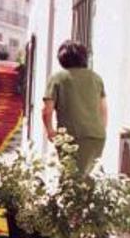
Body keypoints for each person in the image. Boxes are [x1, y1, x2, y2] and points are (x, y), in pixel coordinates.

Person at [42, 40, 107, 172]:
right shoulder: (96, 78)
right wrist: (99, 129)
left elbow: (47, 110)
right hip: (97, 137)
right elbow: (103, 110)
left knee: (71, 181)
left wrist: (50, 131)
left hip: (72, 137)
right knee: (85, 180)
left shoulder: (58, 78)